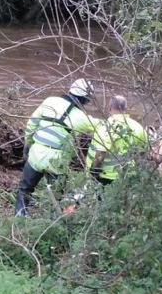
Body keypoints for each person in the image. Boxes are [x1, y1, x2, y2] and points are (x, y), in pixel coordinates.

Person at [16, 78, 99, 216]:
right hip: (57, 160)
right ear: (85, 99)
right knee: (56, 197)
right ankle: (53, 220)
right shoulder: (82, 118)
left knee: (24, 189)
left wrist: (28, 145)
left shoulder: (50, 101)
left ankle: (19, 218)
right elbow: (103, 127)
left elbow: (31, 124)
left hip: (36, 153)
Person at [86, 94, 148, 185]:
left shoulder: (106, 126)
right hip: (128, 176)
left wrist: (93, 174)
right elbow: (142, 154)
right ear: (125, 109)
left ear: (109, 108)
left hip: (106, 177)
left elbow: (101, 153)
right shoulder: (138, 127)